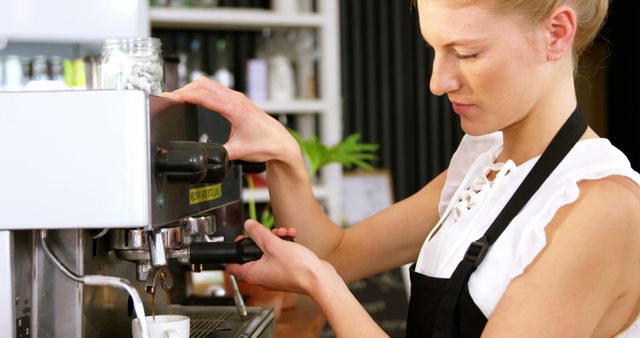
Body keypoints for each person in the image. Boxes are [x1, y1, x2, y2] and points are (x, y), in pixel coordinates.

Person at [164, 0, 640, 336]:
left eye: (467, 53)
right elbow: (336, 251)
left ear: (556, 33)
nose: (438, 82)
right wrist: (284, 155)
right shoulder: (484, 165)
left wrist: (319, 284)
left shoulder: (601, 207)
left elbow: (326, 270)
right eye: (434, 49)